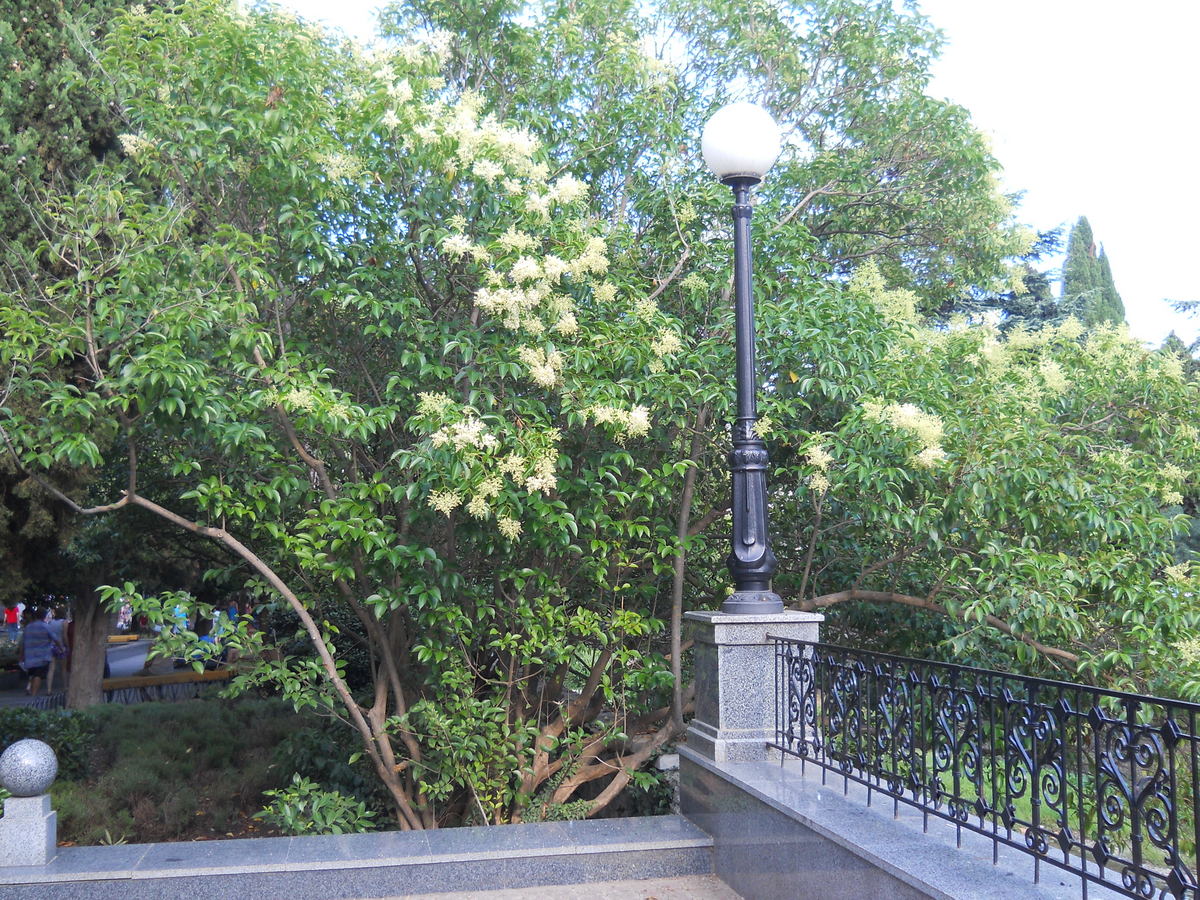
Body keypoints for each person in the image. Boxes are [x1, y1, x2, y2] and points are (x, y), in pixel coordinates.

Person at [18, 606, 63, 698]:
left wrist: (21, 657)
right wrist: (61, 648)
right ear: (44, 616)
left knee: (33, 674)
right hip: (42, 657)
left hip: (29, 657)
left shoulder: (28, 627)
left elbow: (23, 643)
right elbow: (55, 639)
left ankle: (31, 691)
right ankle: (33, 696)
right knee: (38, 675)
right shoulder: (46, 627)